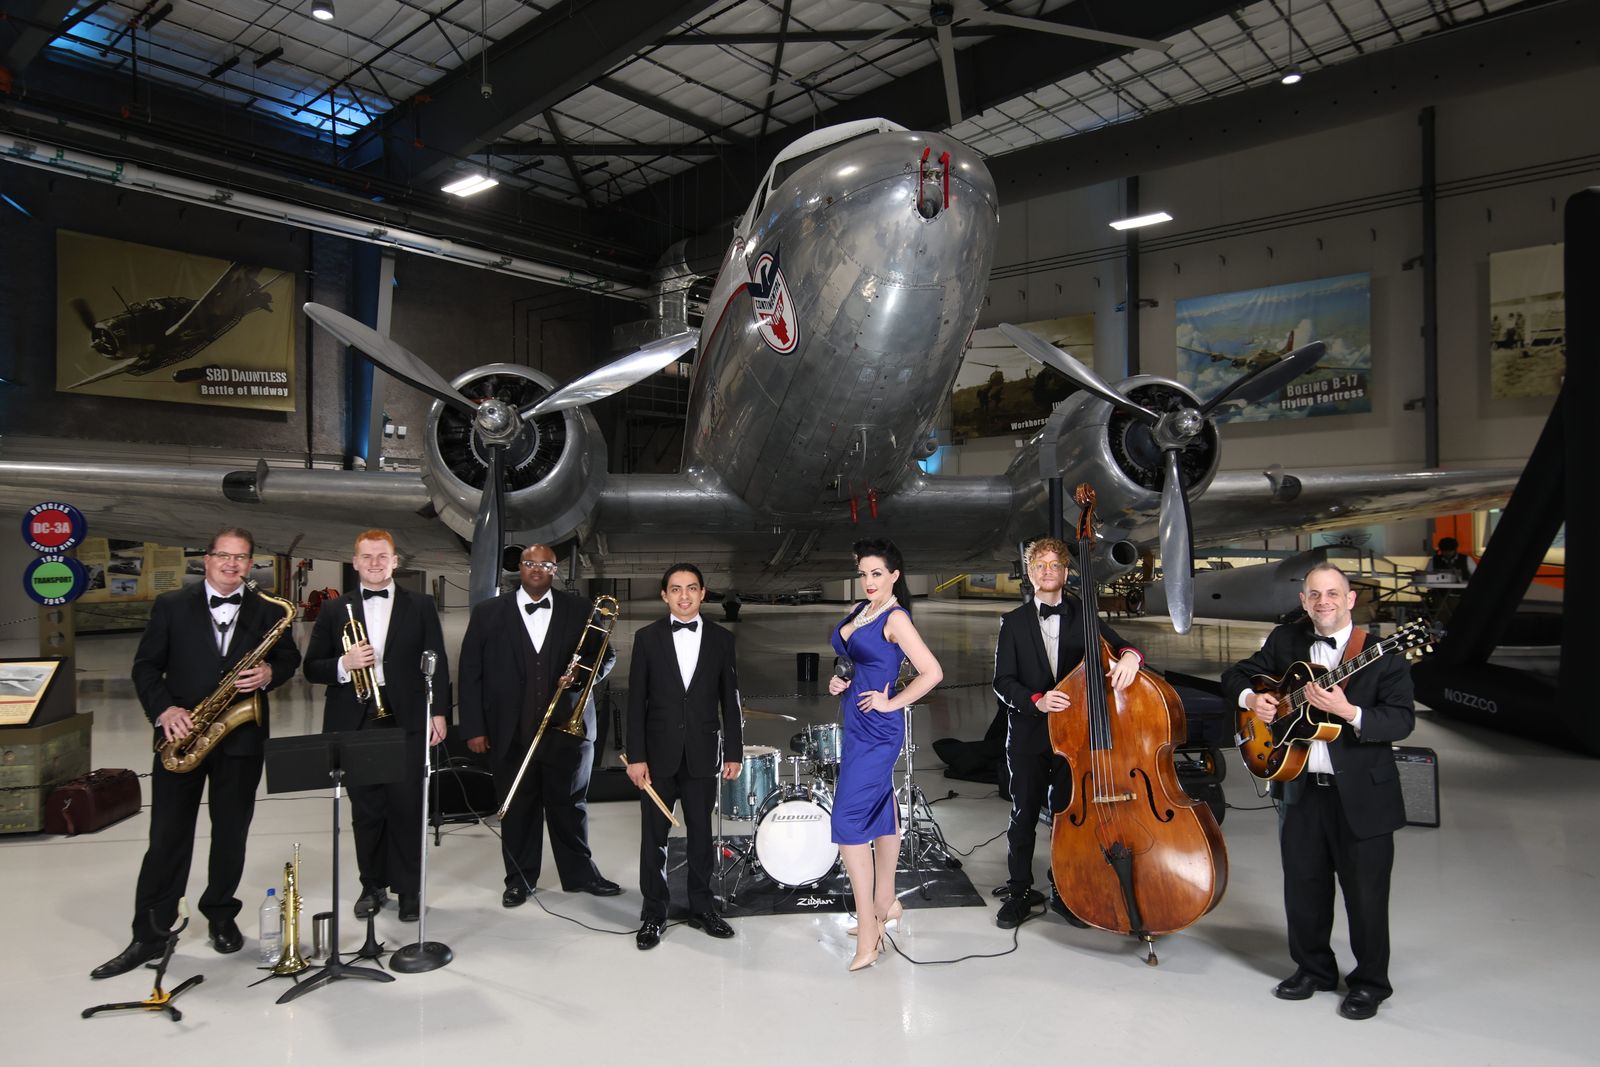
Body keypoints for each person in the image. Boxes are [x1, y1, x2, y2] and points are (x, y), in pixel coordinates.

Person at [92, 527, 301, 979]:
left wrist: (270, 673)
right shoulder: (172, 605)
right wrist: (164, 710)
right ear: (206, 560)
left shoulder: (268, 609)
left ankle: (221, 915)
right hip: (181, 734)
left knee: (231, 833)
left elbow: (289, 658)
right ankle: (150, 933)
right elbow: (146, 666)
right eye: (223, 555)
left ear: (250, 564)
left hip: (241, 740)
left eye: (240, 557)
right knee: (167, 837)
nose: (231, 564)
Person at [1220, 562, 1415, 1021]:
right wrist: (1254, 699)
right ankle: (1313, 970)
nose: (1323, 602)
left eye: (1332, 594)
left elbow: (1401, 720)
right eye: (1314, 594)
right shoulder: (1285, 641)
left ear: (1350, 599)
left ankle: (1370, 983)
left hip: (1362, 796)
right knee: (1303, 887)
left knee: (1366, 895)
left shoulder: (1384, 654)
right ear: (1303, 601)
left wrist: (1350, 712)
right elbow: (1236, 675)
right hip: (1301, 788)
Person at [991, 536, 1143, 929]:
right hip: (1029, 735)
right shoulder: (1013, 622)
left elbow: (1124, 647)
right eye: (1040, 565)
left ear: (1065, 572)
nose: (1047, 571)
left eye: (1055, 565)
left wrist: (1130, 658)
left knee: (1067, 815)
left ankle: (1065, 891)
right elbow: (1002, 682)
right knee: (1024, 814)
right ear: (1030, 573)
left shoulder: (1084, 615)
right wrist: (1037, 701)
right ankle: (1019, 892)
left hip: (1075, 739)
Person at [457, 544, 621, 906]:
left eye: (544, 565)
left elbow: (605, 656)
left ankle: (580, 876)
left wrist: (581, 678)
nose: (536, 569)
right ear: (519, 567)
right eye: (529, 563)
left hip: (567, 730)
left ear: (554, 570)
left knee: (570, 806)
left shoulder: (580, 609)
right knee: (517, 808)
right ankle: (519, 880)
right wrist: (473, 727)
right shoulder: (487, 613)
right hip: (509, 731)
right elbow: (470, 672)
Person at [302, 530, 450, 922]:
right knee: (366, 809)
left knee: (407, 806)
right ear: (355, 562)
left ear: (395, 562)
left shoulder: (420, 605)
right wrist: (344, 664)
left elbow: (437, 661)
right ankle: (372, 885)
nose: (374, 563)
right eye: (366, 557)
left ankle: (409, 889)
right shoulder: (335, 610)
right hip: (356, 719)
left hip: (407, 717)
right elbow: (312, 667)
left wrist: (439, 712)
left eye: (382, 556)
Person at [828, 539, 943, 971]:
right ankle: (886, 902)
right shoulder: (862, 610)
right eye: (864, 573)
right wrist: (840, 681)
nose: (869, 581)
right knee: (881, 808)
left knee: (847, 822)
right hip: (856, 724)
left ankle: (869, 929)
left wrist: (892, 702)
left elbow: (932, 672)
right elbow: (853, 659)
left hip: (879, 730)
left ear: (895, 575)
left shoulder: (895, 618)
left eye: (877, 573)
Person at [624, 563, 743, 950]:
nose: (684, 596)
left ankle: (702, 908)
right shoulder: (647, 638)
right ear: (665, 595)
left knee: (701, 838)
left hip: (703, 753)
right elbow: (635, 702)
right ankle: (653, 913)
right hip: (656, 757)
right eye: (676, 589)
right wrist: (636, 756)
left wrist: (734, 751)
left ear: (703, 593)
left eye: (692, 588)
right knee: (654, 839)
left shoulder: (722, 639)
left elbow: (730, 700)